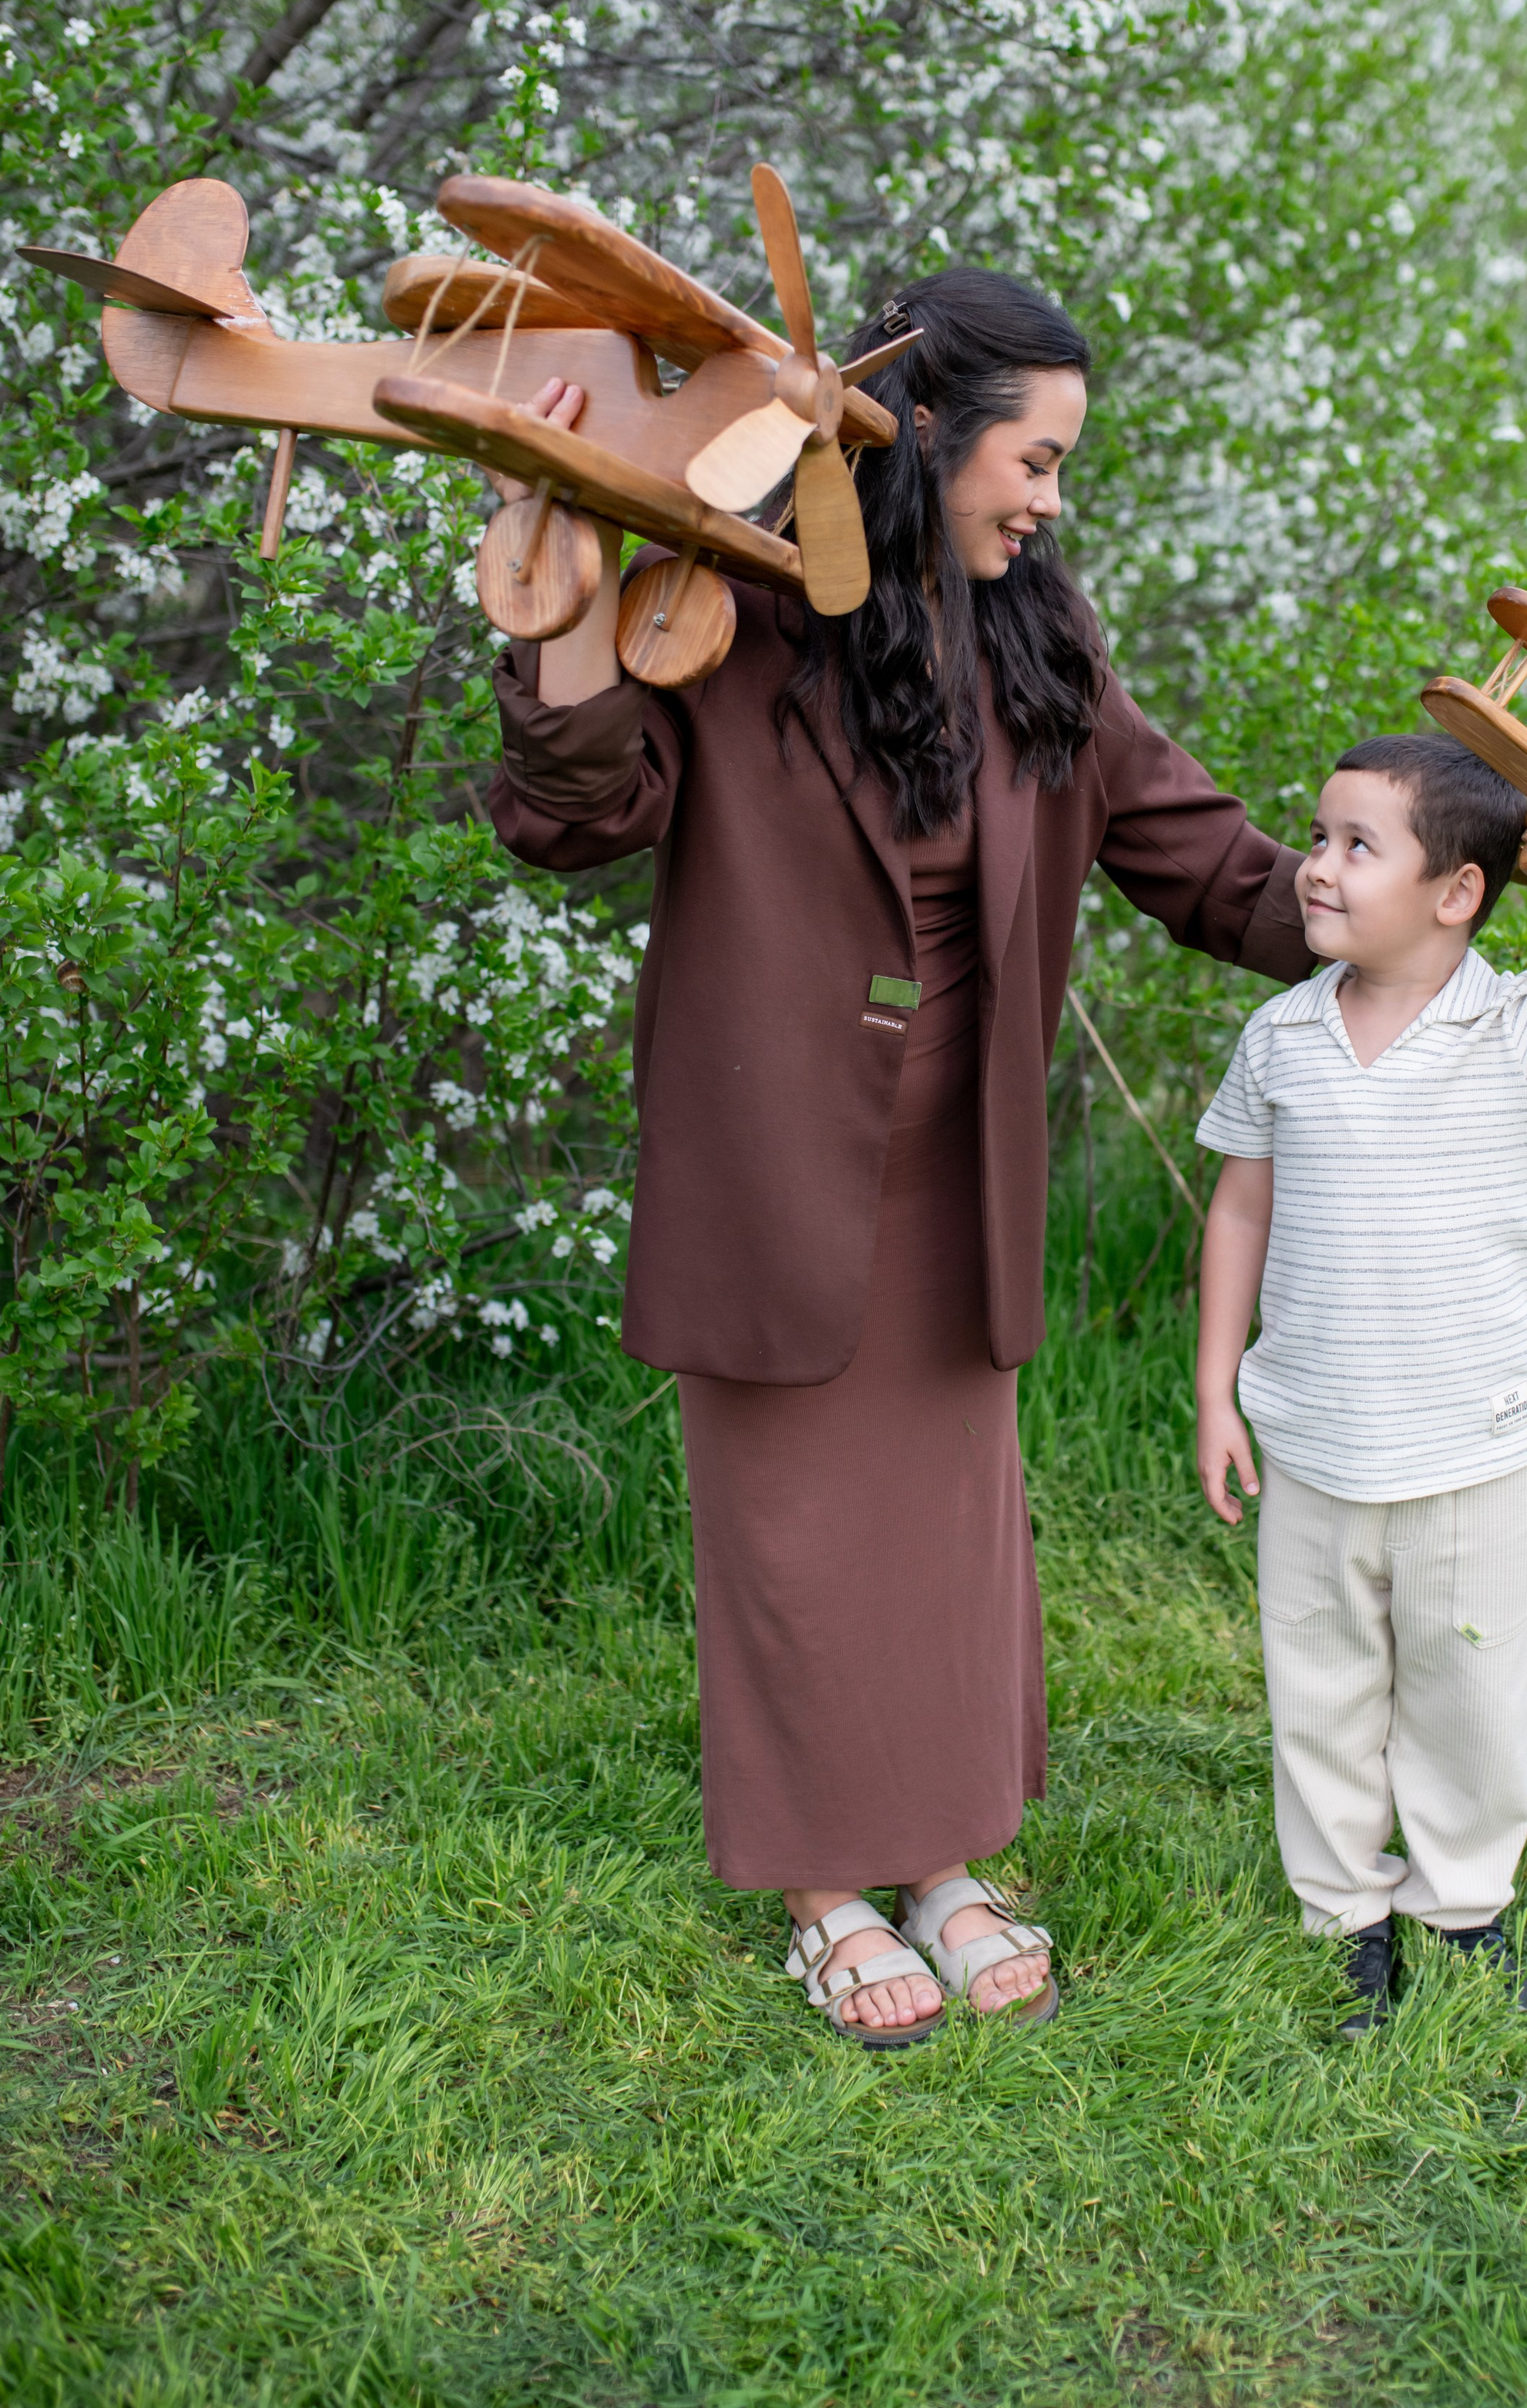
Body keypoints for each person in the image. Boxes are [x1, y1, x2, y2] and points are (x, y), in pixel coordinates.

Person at [490, 268, 1314, 2045]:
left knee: (944, 1533)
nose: (1049, 497)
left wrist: (1456, 871)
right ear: (919, 431)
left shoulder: (1042, 642)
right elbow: (575, 816)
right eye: (1033, 458)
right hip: (772, 1157)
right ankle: (820, 1892)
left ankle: (941, 1860)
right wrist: (556, 602)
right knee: (787, 1527)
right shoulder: (729, 604)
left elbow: (1216, 871)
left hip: (962, 1161)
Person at [1191, 732, 1527, 2031]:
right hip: (1315, 1436)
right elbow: (1238, 1215)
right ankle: (1343, 1912)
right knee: (1320, 1686)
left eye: (1355, 846)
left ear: (1458, 894)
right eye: (1316, 838)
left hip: (1476, 1444)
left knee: (1472, 1686)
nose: (1315, 868)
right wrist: (1218, 1387)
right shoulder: (1282, 1037)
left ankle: (1461, 1902)